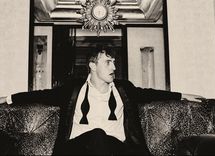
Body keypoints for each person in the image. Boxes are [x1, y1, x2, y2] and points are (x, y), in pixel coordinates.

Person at [0, 46, 204, 155]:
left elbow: (151, 93)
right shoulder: (73, 89)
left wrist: (181, 96)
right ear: (92, 65)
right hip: (76, 149)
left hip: (118, 147)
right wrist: (7, 98)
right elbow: (40, 95)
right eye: (108, 62)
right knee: (97, 135)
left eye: (114, 62)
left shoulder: (125, 89)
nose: (114, 67)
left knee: (113, 144)